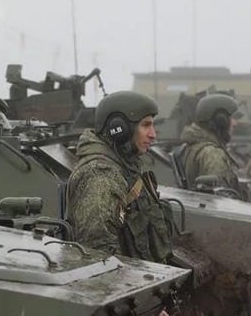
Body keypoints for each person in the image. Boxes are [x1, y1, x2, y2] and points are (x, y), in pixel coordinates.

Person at [66, 90, 172, 263]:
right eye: (146, 125)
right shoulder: (101, 177)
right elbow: (100, 256)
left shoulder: (126, 167)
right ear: (120, 129)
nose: (153, 134)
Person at [177, 93, 242, 190]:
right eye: (231, 118)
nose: (235, 123)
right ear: (221, 121)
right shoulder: (212, 154)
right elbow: (220, 196)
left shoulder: (191, 146)